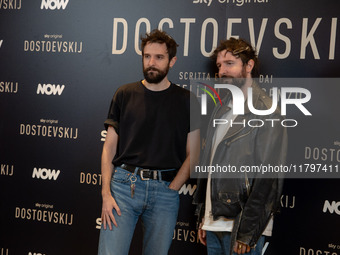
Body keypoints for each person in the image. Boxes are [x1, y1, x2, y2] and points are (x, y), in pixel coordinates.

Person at [97, 29, 200, 255]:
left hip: (165, 191)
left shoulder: (187, 101)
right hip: (123, 188)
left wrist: (172, 189)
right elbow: (109, 148)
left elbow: (195, 153)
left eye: (159, 57)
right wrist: (106, 194)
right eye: (147, 56)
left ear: (172, 61)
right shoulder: (124, 94)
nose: (151, 63)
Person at [193, 38, 288, 255]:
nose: (222, 71)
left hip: (240, 230)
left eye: (229, 64)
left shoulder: (266, 110)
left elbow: (268, 178)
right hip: (214, 224)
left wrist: (247, 232)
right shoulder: (221, 109)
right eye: (219, 66)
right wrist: (205, 218)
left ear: (249, 65)